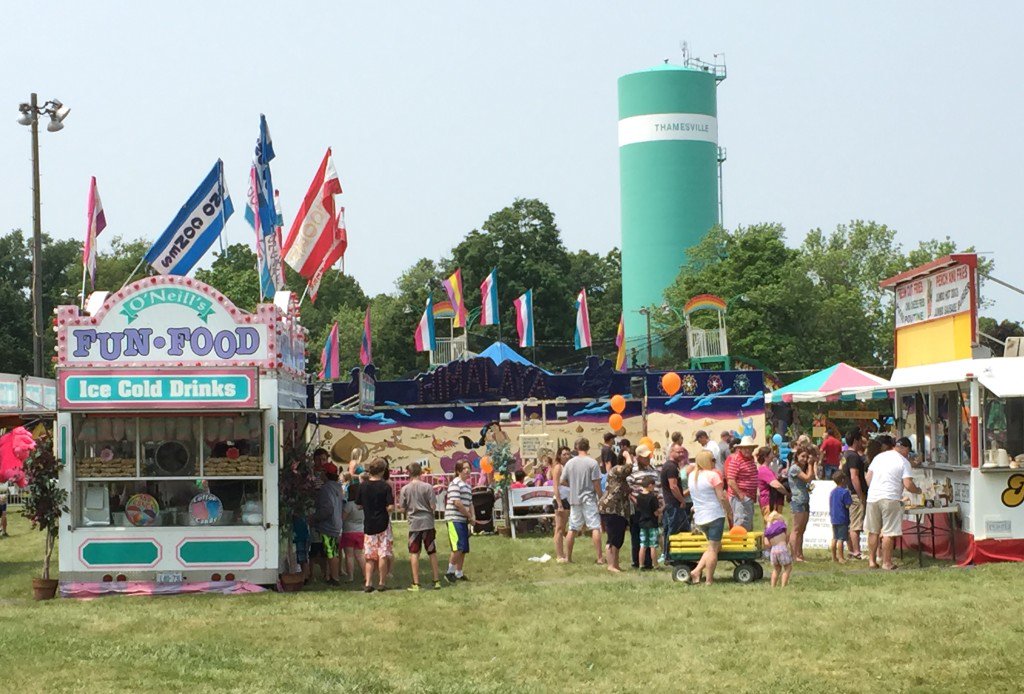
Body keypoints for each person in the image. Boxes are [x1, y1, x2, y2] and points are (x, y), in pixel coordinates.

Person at [866, 435, 921, 571]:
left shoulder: (879, 457)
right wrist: (918, 490)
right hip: (890, 498)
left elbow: (868, 478)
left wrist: (874, 490)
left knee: (873, 531)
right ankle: (887, 562)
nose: (908, 454)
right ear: (905, 448)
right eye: (908, 451)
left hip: (872, 497)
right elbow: (908, 485)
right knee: (889, 532)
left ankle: (872, 561)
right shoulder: (903, 462)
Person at [685, 450, 733, 585]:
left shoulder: (692, 476)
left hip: (700, 517)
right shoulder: (713, 475)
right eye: (712, 460)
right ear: (707, 461)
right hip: (714, 515)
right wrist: (729, 510)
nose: (714, 462)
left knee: (715, 546)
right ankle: (709, 579)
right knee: (713, 548)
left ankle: (697, 570)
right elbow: (721, 497)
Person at [560, 437, 605, 564]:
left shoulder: (569, 463)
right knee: (595, 526)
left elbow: (562, 480)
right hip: (589, 498)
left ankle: (568, 557)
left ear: (576, 448)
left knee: (572, 528)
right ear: (588, 447)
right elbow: (596, 483)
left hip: (574, 499)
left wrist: (573, 485)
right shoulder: (592, 463)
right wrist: (601, 496)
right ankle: (600, 558)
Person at [399, 462, 442, 591]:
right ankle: (436, 580)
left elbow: (402, 509)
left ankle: (416, 583)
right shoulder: (428, 487)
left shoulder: (405, 489)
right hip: (427, 522)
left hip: (414, 524)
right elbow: (433, 506)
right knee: (432, 551)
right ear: (421, 472)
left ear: (409, 473)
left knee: (414, 552)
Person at [356, 458, 395, 593]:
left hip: (369, 524)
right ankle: (381, 582)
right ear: (383, 471)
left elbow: (358, 505)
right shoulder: (385, 486)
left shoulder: (363, 486)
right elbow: (390, 506)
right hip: (383, 523)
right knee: (382, 553)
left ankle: (368, 582)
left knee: (369, 555)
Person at [598, 445, 633, 573]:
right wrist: (627, 455)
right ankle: (611, 565)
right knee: (612, 537)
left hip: (619, 510)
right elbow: (628, 468)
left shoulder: (620, 477)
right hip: (611, 508)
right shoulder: (616, 469)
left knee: (619, 537)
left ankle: (616, 564)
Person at [626, 444, 659, 569]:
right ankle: (637, 561)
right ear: (638, 457)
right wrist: (635, 500)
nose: (648, 459)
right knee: (637, 536)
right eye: (645, 457)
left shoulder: (652, 469)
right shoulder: (632, 470)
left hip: (652, 507)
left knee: (651, 537)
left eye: (649, 456)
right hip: (639, 508)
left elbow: (658, 487)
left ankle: (650, 562)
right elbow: (627, 487)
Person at [312, 462, 345, 585]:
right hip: (337, 523)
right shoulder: (337, 487)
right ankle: (331, 575)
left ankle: (334, 578)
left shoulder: (326, 489)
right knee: (333, 551)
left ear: (326, 474)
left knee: (331, 552)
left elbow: (327, 509)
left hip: (328, 525)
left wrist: (315, 518)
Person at [445, 460, 477, 582]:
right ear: (458, 471)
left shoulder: (468, 486)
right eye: (464, 468)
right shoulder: (455, 484)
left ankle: (459, 572)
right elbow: (457, 502)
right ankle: (449, 572)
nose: (467, 470)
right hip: (454, 518)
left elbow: (470, 502)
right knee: (457, 546)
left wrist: (472, 516)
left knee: (463, 548)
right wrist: (469, 515)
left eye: (468, 468)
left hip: (463, 519)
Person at [659, 443, 690, 562]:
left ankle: (669, 554)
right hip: (673, 503)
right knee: (674, 530)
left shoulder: (672, 466)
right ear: (671, 452)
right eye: (678, 452)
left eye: (682, 452)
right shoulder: (671, 467)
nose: (681, 454)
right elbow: (673, 486)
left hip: (671, 503)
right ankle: (670, 555)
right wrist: (682, 500)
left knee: (671, 529)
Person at [787, 445, 817, 562]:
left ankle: (800, 554)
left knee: (802, 529)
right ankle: (794, 555)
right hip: (797, 501)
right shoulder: (795, 468)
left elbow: (811, 477)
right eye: (802, 456)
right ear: (797, 456)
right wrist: (810, 464)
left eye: (807, 457)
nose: (805, 459)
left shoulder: (801, 468)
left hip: (804, 500)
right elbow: (808, 478)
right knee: (796, 529)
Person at [843, 428, 868, 559]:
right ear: (855, 440)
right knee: (856, 525)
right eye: (860, 439)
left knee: (851, 522)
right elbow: (854, 476)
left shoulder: (845, 455)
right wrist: (860, 494)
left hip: (847, 492)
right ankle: (856, 551)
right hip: (854, 493)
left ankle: (852, 549)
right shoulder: (853, 457)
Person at [724, 436, 759, 531]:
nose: (748, 450)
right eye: (745, 448)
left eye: (750, 448)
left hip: (748, 497)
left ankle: (745, 544)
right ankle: (739, 544)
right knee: (741, 522)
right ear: (741, 448)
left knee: (747, 522)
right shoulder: (736, 460)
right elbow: (731, 480)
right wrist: (740, 495)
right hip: (739, 498)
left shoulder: (750, 459)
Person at [340, 472, 365, 583]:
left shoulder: (349, 505)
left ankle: (351, 577)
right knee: (359, 555)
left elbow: (343, 518)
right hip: (361, 531)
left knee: (349, 555)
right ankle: (365, 574)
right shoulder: (363, 505)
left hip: (349, 531)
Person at [548, 447, 572, 563]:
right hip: (561, 499)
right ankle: (559, 555)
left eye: (568, 454)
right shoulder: (558, 467)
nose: (566, 456)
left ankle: (563, 553)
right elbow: (555, 486)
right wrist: (559, 503)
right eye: (564, 454)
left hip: (567, 499)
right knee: (559, 528)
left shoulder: (567, 467)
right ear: (559, 455)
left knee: (563, 528)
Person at [634, 477, 661, 571]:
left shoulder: (639, 497)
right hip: (652, 523)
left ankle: (641, 565)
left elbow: (637, 507)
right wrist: (663, 508)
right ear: (650, 485)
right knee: (653, 545)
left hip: (642, 523)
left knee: (643, 545)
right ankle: (655, 565)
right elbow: (656, 512)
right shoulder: (652, 497)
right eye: (653, 486)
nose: (654, 488)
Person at [755, 446, 789, 519]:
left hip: (773, 501)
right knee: (771, 525)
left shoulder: (767, 469)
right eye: (771, 454)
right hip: (769, 502)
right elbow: (777, 485)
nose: (773, 455)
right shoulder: (764, 470)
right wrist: (787, 493)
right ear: (765, 457)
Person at [764, 511, 793, 588]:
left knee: (776, 569)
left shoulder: (768, 530)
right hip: (782, 548)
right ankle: (783, 586)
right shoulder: (782, 525)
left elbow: (766, 543)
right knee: (788, 567)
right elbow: (787, 536)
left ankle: (773, 586)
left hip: (773, 550)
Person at [829, 470, 852, 563]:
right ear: (843, 480)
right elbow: (847, 504)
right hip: (843, 518)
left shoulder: (833, 492)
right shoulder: (845, 492)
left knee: (835, 537)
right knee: (841, 539)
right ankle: (841, 557)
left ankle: (834, 557)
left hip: (834, 517)